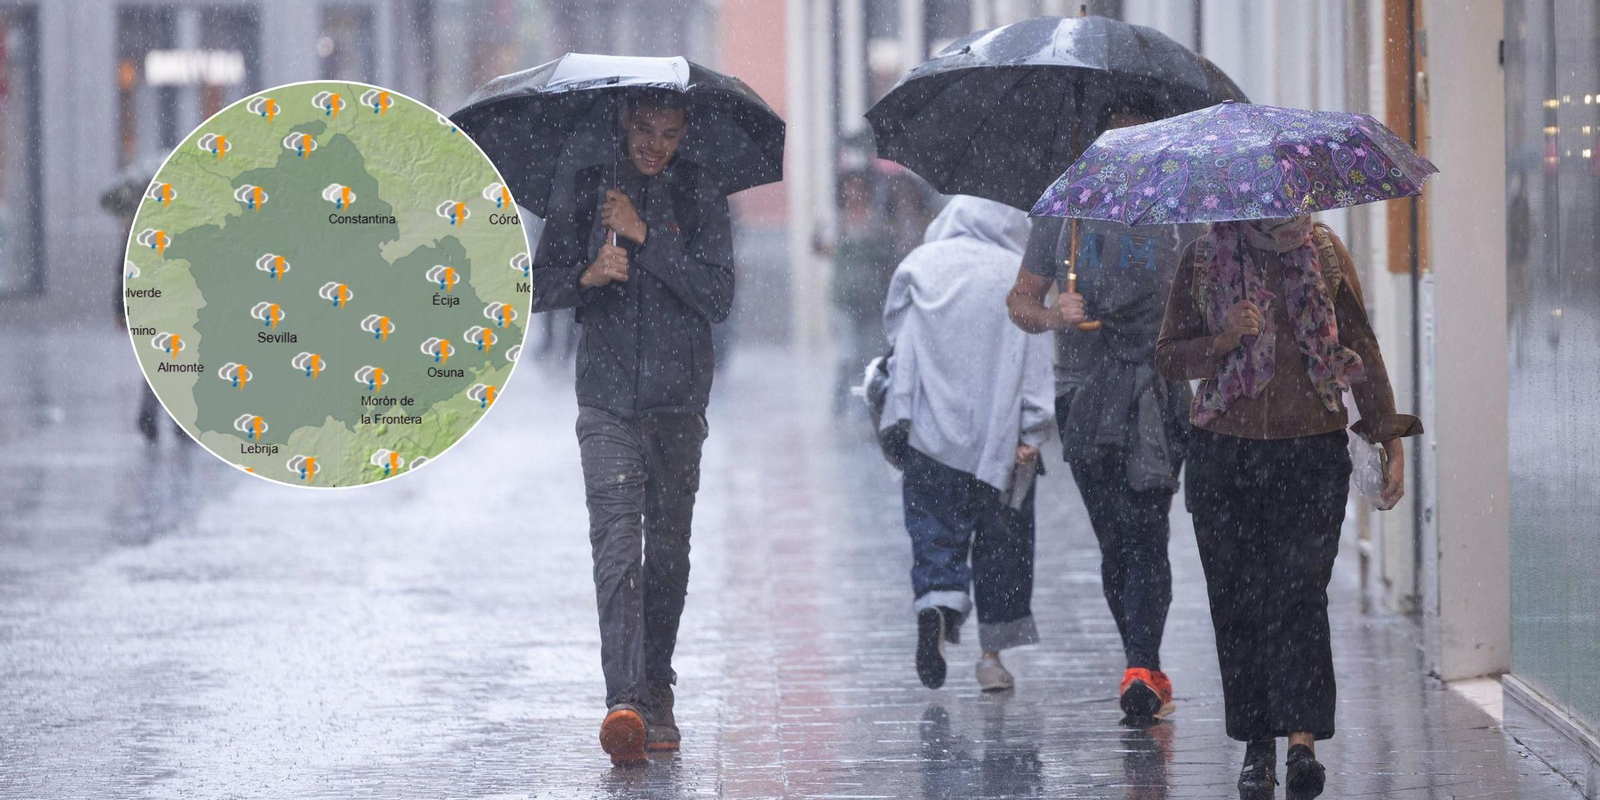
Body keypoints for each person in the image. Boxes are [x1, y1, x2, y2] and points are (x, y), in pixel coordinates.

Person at [1153, 215, 1420, 799]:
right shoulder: (1201, 258)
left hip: (1311, 452)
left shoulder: (1323, 253)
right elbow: (1168, 358)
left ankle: (1302, 744)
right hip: (1226, 453)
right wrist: (1221, 340)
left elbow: (1362, 347)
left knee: (1299, 595)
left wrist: (1387, 436)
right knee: (1239, 601)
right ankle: (1256, 750)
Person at [527, 89, 734, 766]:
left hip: (679, 402)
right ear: (625, 121)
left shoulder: (702, 192)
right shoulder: (586, 184)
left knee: (667, 553)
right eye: (645, 130)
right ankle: (624, 702)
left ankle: (657, 685)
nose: (656, 146)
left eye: (670, 134)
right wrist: (587, 274)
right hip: (607, 400)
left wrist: (650, 236)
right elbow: (537, 284)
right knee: (618, 548)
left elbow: (717, 296)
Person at [1006, 106, 1200, 721]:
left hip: (1158, 394)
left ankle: (1141, 661)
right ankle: (1140, 659)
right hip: (1085, 397)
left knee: (1147, 532)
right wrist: (1054, 313)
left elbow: (1206, 293)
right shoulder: (1064, 210)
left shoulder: (1176, 211)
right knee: (1117, 540)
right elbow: (1018, 301)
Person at [880, 196, 1054, 691]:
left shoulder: (921, 264)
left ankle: (938, 603)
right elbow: (1037, 354)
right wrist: (1034, 428)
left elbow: (897, 332)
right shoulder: (1020, 277)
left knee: (934, 528)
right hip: (1000, 439)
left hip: (933, 432)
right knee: (1002, 544)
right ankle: (991, 658)